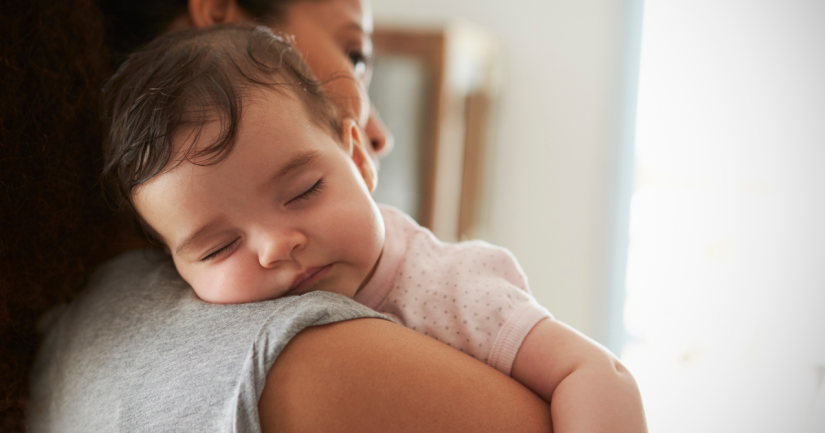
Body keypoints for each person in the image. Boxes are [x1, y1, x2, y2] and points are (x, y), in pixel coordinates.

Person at [11, 0, 559, 431]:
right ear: (220, 11)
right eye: (355, 55)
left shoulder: (66, 335)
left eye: (303, 190)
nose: (378, 135)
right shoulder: (303, 364)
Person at [99, 23, 647, 432]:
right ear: (173, 265)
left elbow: (595, 373)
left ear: (358, 159)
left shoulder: (450, 286)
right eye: (220, 248)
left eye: (303, 192)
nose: (274, 247)